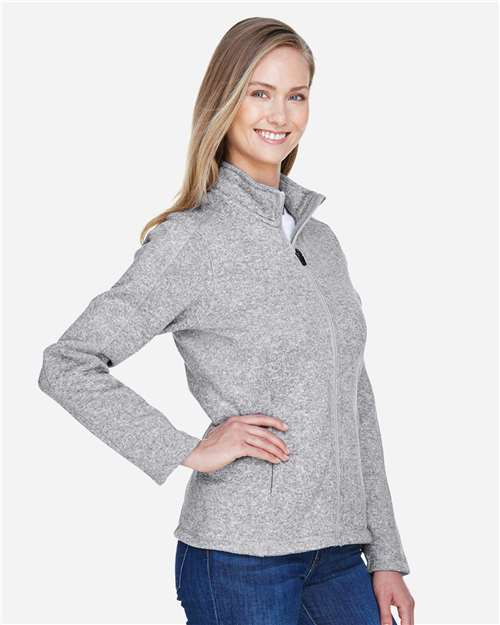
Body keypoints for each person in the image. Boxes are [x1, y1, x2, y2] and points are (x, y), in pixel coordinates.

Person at [38, 16, 415, 625]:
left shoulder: (321, 242)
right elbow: (67, 364)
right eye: (259, 92)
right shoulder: (191, 241)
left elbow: (356, 398)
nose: (280, 114)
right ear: (225, 100)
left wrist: (387, 555)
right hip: (240, 560)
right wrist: (186, 448)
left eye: (297, 95)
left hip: (341, 553)